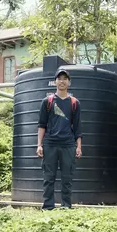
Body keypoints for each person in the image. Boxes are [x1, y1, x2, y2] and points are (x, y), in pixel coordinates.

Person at [36, 68, 82, 210]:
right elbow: (41, 125)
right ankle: (47, 207)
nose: (62, 81)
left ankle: (66, 206)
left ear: (69, 82)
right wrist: (39, 145)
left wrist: (79, 146)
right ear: (55, 81)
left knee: (67, 178)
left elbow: (78, 126)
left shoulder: (74, 102)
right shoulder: (47, 101)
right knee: (49, 177)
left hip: (68, 144)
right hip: (50, 144)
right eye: (59, 78)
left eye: (65, 79)